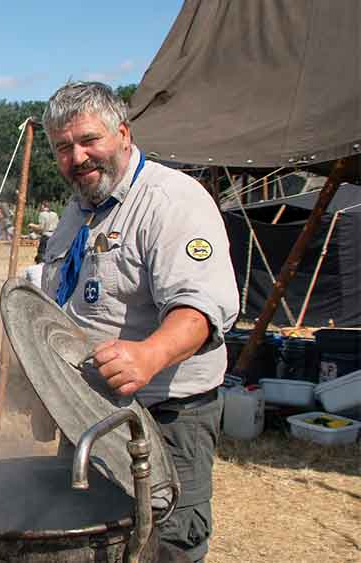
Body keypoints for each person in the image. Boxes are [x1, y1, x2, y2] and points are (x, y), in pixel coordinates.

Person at [37, 82, 238, 563]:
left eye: (89, 140)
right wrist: (48, 385)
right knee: (88, 539)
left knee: (164, 544)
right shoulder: (77, 211)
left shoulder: (171, 201)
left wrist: (150, 354)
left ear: (123, 134)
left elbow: (201, 308)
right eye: (64, 148)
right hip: (85, 413)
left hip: (164, 418)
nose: (78, 156)